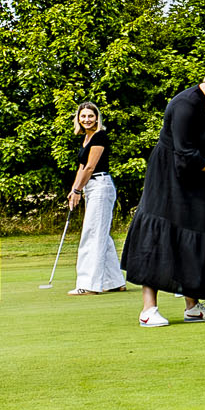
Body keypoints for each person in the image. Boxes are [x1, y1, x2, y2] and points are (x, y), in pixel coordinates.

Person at [122, 63, 205, 326]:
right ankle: (148, 310)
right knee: (162, 233)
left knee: (199, 230)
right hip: (170, 176)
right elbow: (185, 153)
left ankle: (193, 307)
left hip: (201, 176)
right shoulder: (185, 104)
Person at [66, 102, 126, 295]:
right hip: (91, 188)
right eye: (83, 116)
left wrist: (77, 190)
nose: (86, 119)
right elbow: (81, 168)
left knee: (92, 235)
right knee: (101, 235)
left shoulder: (100, 136)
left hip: (101, 185)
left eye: (90, 116)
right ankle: (115, 281)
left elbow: (91, 167)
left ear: (97, 117)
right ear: (78, 118)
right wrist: (74, 189)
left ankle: (89, 285)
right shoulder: (86, 138)